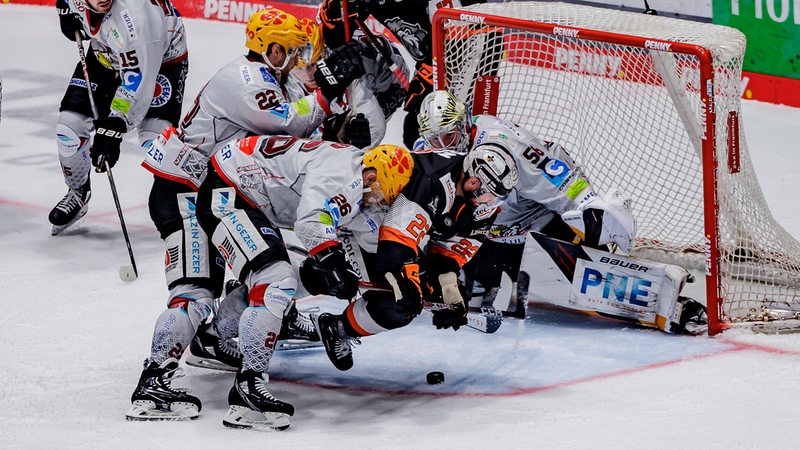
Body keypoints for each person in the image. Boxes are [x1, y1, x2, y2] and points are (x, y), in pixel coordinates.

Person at [126, 8, 374, 421]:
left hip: (209, 189)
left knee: (258, 270)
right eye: (293, 51)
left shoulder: (270, 77)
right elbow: (288, 125)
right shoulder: (245, 80)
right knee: (197, 291)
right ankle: (153, 384)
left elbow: (292, 141)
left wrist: (339, 131)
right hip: (184, 192)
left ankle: (217, 343)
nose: (299, 59)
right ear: (273, 49)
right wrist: (327, 95)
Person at [414, 90, 708, 334]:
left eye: (448, 137)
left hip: (539, 231)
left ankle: (672, 305)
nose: (442, 146)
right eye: (434, 139)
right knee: (445, 281)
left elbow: (554, 171)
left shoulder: (506, 145)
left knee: (593, 281)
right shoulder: (429, 151)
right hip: (485, 238)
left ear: (464, 124)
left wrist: (586, 202)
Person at [194, 136, 414, 430]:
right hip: (229, 188)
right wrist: (336, 268)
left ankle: (210, 338)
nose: (379, 203)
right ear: (371, 176)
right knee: (276, 281)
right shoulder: (341, 174)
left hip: (253, 198)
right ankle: (247, 390)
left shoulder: (364, 181)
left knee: (306, 275)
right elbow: (310, 224)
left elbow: (368, 237)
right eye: (381, 195)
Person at [313, 132, 520, 371]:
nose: (492, 202)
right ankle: (284, 294)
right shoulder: (435, 181)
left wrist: (448, 287)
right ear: (474, 182)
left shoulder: (478, 201)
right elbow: (396, 241)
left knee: (414, 297)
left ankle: (335, 328)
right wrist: (407, 279)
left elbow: (448, 253)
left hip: (388, 228)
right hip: (362, 216)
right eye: (491, 194)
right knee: (374, 289)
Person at [49, 0, 188, 235]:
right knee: (68, 129)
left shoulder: (136, 19)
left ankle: (186, 205)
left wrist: (115, 124)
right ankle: (78, 192)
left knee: (157, 139)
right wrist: (65, 9)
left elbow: (138, 81)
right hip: (106, 53)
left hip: (159, 59)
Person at [317, 0, 487, 150]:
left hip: (466, 58)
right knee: (415, 129)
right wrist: (336, 17)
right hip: (434, 58)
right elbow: (334, 37)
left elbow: (460, 51)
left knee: (440, 127)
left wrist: (426, 79)